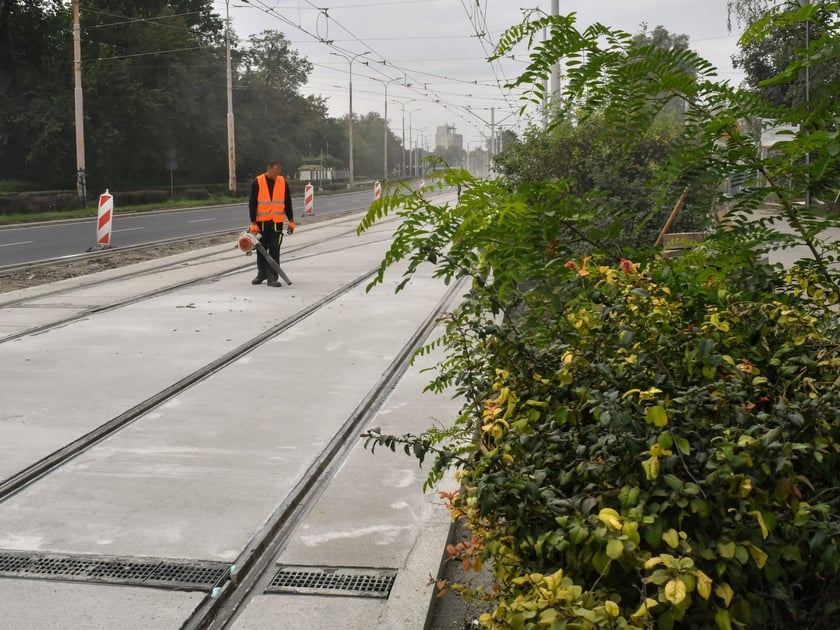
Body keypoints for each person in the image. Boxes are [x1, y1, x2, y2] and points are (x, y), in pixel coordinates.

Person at [248, 161, 295, 287]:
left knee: (275, 248)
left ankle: (272, 277)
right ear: (268, 169)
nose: (277, 174)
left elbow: (287, 202)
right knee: (261, 249)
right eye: (275, 171)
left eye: (278, 171)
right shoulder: (258, 182)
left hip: (276, 223)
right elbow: (252, 203)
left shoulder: (282, 182)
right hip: (261, 223)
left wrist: (291, 221)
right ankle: (261, 274)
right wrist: (253, 222)